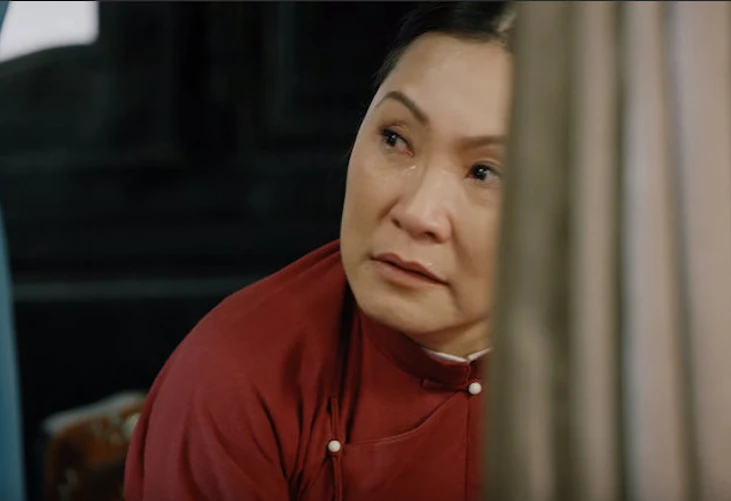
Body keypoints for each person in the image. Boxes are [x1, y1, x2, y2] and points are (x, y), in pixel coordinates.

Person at [124, 3, 514, 500]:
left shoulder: (609, 370)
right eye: (395, 138)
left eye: (484, 172)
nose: (417, 213)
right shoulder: (236, 378)